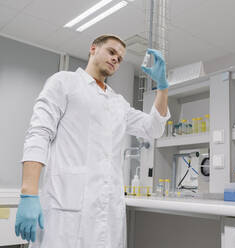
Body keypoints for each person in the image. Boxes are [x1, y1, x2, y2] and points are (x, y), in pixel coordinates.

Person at [15, 34, 170, 247]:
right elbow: (39, 133)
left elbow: (154, 128)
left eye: (120, 58)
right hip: (66, 209)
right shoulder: (64, 82)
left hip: (108, 212)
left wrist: (162, 87)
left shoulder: (119, 103)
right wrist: (28, 193)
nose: (116, 59)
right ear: (93, 49)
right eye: (111, 52)